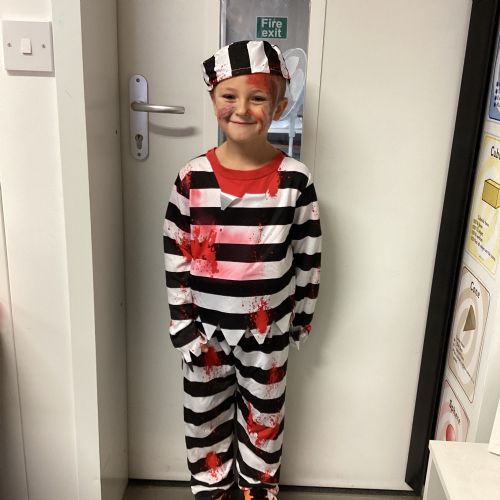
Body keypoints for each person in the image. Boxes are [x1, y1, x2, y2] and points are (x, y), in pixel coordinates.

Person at [163, 40, 321, 500]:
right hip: (204, 332)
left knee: (264, 422)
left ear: (279, 107)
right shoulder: (192, 178)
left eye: (257, 98)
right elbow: (175, 252)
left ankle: (257, 491)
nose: (242, 109)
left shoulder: (295, 180)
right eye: (229, 96)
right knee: (204, 420)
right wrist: (183, 324)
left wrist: (302, 318)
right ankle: (211, 490)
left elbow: (308, 255)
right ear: (213, 99)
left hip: (269, 331)